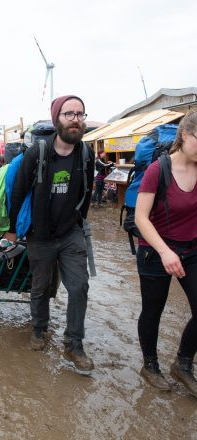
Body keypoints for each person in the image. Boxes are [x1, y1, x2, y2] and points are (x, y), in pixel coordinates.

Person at [5, 95, 95, 371]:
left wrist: (80, 222)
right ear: (57, 119)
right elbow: (18, 191)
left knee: (79, 286)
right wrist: (11, 229)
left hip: (70, 233)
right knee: (41, 285)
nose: (76, 119)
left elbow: (88, 191)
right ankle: (39, 329)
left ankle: (74, 344)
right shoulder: (38, 153)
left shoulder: (86, 154)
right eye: (69, 114)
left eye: (80, 114)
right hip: (40, 234)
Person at [135, 110, 197, 397]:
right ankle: (150, 365)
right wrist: (164, 251)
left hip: (191, 249)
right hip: (155, 251)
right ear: (185, 135)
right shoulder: (158, 170)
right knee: (153, 310)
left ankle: (183, 364)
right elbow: (141, 218)